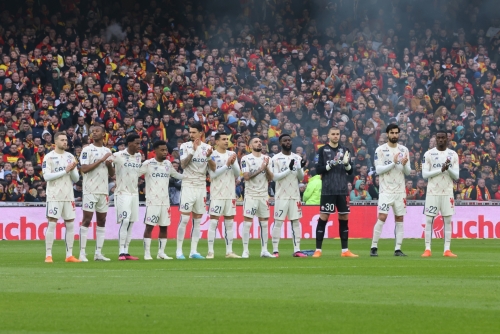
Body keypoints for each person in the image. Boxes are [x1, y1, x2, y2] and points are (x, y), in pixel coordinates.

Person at [314, 127, 357, 258]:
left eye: (337, 134)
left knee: (344, 217)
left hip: (342, 190)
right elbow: (317, 169)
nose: (335, 136)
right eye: (333, 134)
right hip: (328, 189)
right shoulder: (322, 150)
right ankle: (318, 250)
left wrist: (347, 164)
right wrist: (330, 165)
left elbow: (350, 172)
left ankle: (345, 251)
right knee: (324, 217)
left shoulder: (345, 150)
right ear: (328, 136)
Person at [370, 124, 411, 257]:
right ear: (387, 134)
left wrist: (404, 165)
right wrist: (393, 163)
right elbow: (378, 170)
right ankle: (374, 246)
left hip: (400, 191)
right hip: (385, 190)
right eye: (392, 133)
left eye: (396, 133)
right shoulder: (380, 150)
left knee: (400, 218)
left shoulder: (404, 150)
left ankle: (398, 249)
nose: (394, 135)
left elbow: (408, 172)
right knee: (382, 216)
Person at [139, 140, 184, 260]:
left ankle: (161, 253)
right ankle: (147, 253)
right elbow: (136, 174)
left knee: (164, 227)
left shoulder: (168, 164)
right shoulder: (148, 164)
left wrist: (190, 176)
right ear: (155, 151)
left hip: (165, 201)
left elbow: (176, 175)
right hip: (152, 201)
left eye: (166, 150)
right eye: (162, 150)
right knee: (150, 226)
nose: (165, 152)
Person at [78, 126, 114, 262]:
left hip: (103, 191)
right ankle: (82, 253)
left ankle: (98, 253)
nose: (94, 133)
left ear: (104, 134)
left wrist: (109, 164)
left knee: (102, 221)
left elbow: (112, 173)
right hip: (90, 190)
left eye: (97, 131)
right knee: (86, 220)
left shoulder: (107, 151)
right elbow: (84, 168)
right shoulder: (87, 150)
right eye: (93, 131)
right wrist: (101, 160)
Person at [43, 132, 80, 263]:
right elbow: (46, 177)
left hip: (68, 195)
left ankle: (69, 255)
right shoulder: (49, 157)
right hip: (54, 195)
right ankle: (48, 255)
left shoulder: (70, 157)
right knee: (52, 223)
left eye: (66, 140)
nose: (65, 142)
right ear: (56, 142)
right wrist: (65, 170)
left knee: (70, 224)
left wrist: (73, 169)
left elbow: (76, 179)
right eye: (62, 140)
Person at [177, 123, 212, 259]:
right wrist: (193, 150)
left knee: (197, 220)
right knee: (185, 219)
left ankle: (193, 251)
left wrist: (210, 158)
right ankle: (179, 251)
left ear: (201, 133)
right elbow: (183, 164)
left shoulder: (208, 148)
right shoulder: (184, 146)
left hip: (201, 187)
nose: (191, 135)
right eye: (190, 132)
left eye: (193, 132)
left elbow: (211, 169)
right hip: (188, 185)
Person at [421, 131, 459, 257]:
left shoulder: (453, 154)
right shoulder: (428, 154)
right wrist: (440, 169)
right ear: (435, 139)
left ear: (447, 139)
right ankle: (427, 249)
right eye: (439, 138)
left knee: (447, 221)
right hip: (432, 192)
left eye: (443, 138)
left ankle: (447, 250)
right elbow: (425, 175)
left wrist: (448, 168)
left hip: (447, 192)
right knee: (429, 220)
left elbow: (456, 176)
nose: (441, 140)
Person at [270, 134, 307, 257]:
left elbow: (301, 178)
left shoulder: (297, 157)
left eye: (289, 140)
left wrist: (300, 168)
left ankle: (297, 250)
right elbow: (274, 177)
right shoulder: (275, 158)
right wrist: (289, 169)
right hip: (281, 195)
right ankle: (275, 250)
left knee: (295, 222)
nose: (287, 142)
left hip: (295, 195)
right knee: (278, 222)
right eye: (285, 141)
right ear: (280, 143)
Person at [206, 132, 241, 259]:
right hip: (217, 194)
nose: (226, 141)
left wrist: (232, 162)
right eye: (223, 139)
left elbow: (237, 173)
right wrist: (227, 165)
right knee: (214, 223)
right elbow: (213, 175)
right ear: (217, 142)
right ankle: (210, 251)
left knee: (229, 224)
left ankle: (229, 251)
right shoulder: (212, 155)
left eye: (227, 139)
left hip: (230, 194)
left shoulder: (231, 154)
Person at [240, 137, 275, 258]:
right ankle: (245, 250)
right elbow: (246, 177)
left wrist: (266, 168)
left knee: (264, 222)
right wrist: (261, 169)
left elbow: (271, 178)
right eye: (256, 142)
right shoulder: (246, 158)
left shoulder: (267, 159)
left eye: (260, 142)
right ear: (250, 146)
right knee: (248, 222)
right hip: (251, 195)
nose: (259, 143)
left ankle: (264, 250)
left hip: (263, 195)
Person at [111, 133, 142, 261]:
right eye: (137, 143)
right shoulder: (118, 155)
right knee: (124, 221)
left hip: (134, 193)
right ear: (129, 144)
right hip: (122, 193)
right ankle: (121, 252)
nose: (139, 146)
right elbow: (110, 170)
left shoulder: (139, 156)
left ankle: (127, 251)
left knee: (131, 222)